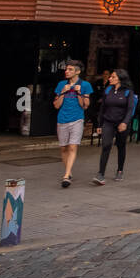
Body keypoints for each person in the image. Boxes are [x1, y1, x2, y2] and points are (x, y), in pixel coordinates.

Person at [53, 59, 92, 188]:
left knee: (72, 147)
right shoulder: (61, 84)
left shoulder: (85, 85)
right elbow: (56, 105)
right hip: (62, 119)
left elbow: (85, 106)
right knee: (63, 148)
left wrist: (79, 93)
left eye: (70, 69)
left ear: (78, 72)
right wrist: (63, 92)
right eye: (66, 69)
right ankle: (69, 172)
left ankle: (66, 175)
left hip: (77, 119)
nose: (67, 71)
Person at [94, 69, 136, 185]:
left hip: (122, 123)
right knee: (106, 145)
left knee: (121, 145)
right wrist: (99, 124)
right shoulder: (108, 90)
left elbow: (130, 109)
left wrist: (125, 123)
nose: (109, 79)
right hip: (108, 122)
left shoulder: (128, 92)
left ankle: (120, 170)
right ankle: (100, 174)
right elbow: (102, 108)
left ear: (120, 79)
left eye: (112, 77)